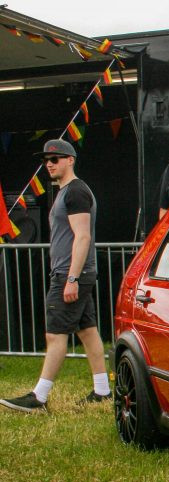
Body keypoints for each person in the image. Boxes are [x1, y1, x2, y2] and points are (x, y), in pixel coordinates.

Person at [1, 140, 110, 412]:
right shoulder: (67, 192)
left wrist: (72, 278)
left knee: (55, 335)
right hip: (74, 272)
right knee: (88, 331)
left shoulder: (75, 193)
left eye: (56, 158)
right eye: (47, 159)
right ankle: (103, 390)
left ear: (70, 160)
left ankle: (39, 397)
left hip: (70, 273)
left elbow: (83, 237)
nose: (49, 163)